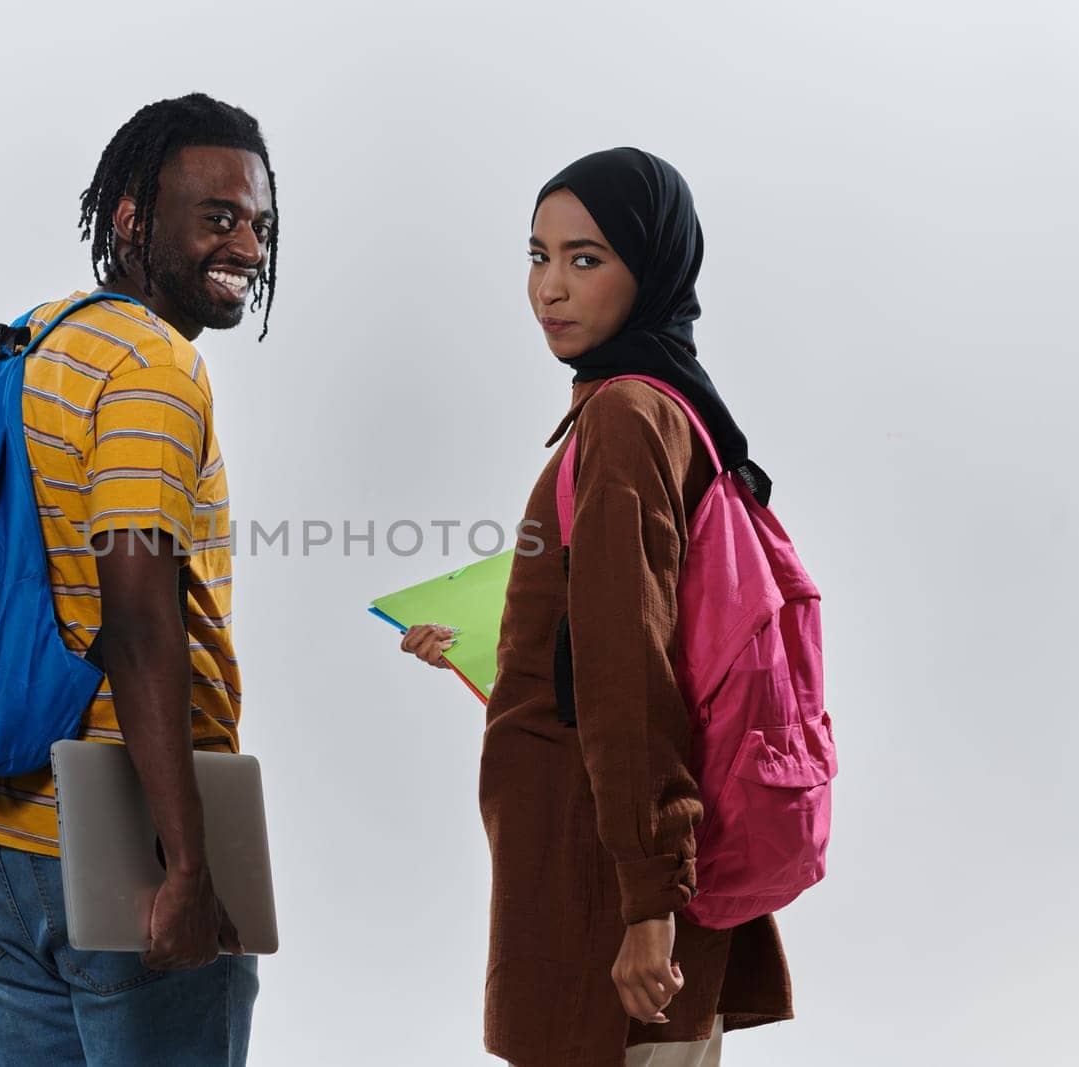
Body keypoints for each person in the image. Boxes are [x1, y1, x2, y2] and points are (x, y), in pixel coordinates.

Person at [400, 148, 791, 1066]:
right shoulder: (671, 406)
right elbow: (619, 627)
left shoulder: (622, 415)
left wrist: (646, 906)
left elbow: (631, 668)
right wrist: (498, 648)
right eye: (537, 256)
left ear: (651, 265)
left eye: (586, 258)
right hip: (631, 866)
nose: (550, 288)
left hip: (606, 887)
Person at [0, 93, 278, 1066]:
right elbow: (136, 616)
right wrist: (184, 857)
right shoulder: (152, 365)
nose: (247, 247)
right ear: (131, 216)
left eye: (258, 222)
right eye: (217, 216)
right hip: (122, 824)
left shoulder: (31, 337)